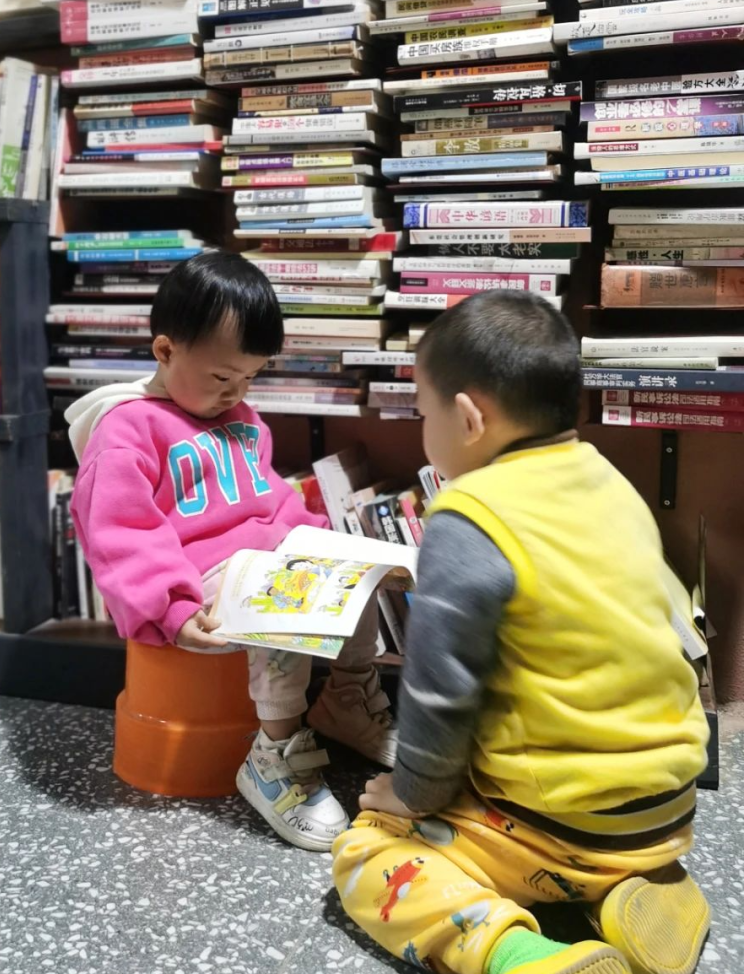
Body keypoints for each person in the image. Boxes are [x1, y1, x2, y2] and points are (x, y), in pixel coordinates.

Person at [332, 291, 711, 974]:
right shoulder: (610, 481)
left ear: (469, 417)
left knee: (368, 851)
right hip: (666, 811)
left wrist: (411, 793)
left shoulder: (469, 514)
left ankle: (514, 952)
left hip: (560, 820)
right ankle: (641, 883)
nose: (423, 429)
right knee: (590, 827)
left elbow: (440, 689)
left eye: (423, 412)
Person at [66, 250, 394, 851]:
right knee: (286, 607)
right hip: (198, 574)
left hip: (260, 562)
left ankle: (348, 698)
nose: (237, 392)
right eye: (222, 378)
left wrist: (321, 539)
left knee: (354, 573)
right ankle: (274, 754)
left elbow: (268, 499)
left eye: (251, 377)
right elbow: (121, 531)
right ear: (165, 351)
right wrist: (170, 605)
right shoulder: (127, 430)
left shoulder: (241, 420)